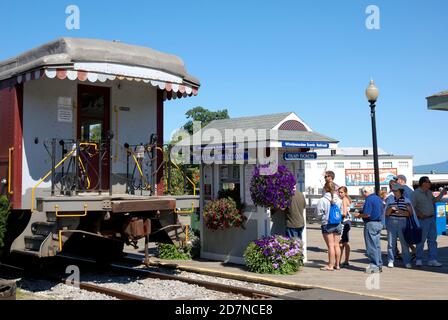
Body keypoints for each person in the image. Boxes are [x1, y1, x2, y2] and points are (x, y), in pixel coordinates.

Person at [412, 176, 446, 267]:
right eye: (428, 182)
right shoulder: (416, 193)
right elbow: (411, 207)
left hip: (431, 219)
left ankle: (432, 259)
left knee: (432, 241)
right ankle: (419, 259)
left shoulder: (429, 192)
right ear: (423, 183)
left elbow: (434, 201)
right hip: (422, 220)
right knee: (421, 241)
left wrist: (442, 193)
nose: (430, 184)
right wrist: (419, 214)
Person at [354, 186, 384, 273]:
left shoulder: (369, 199)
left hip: (371, 223)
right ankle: (378, 264)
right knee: (377, 245)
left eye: (363, 193)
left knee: (371, 246)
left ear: (365, 192)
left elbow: (367, 214)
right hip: (379, 223)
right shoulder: (378, 198)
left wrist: (358, 215)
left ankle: (374, 265)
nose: (363, 195)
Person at [385, 184, 413, 269]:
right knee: (391, 243)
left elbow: (410, 213)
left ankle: (407, 261)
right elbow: (386, 213)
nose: (394, 192)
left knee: (404, 243)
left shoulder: (406, 200)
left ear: (400, 191)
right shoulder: (390, 199)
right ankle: (390, 260)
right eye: (393, 190)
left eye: (395, 190)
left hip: (402, 222)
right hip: (391, 222)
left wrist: (401, 212)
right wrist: (391, 209)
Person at [317, 181, 343, 271]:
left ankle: (330, 265)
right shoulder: (339, 200)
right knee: (337, 245)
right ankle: (338, 265)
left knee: (330, 246)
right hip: (337, 223)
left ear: (325, 188)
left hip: (327, 224)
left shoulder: (322, 200)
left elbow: (318, 214)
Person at [338, 186, 352, 267]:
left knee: (342, 243)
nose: (340, 194)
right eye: (339, 192)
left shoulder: (344, 200)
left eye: (341, 192)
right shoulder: (348, 199)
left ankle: (339, 261)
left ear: (345, 192)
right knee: (345, 242)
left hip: (344, 221)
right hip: (348, 221)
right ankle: (345, 260)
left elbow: (344, 213)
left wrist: (336, 215)